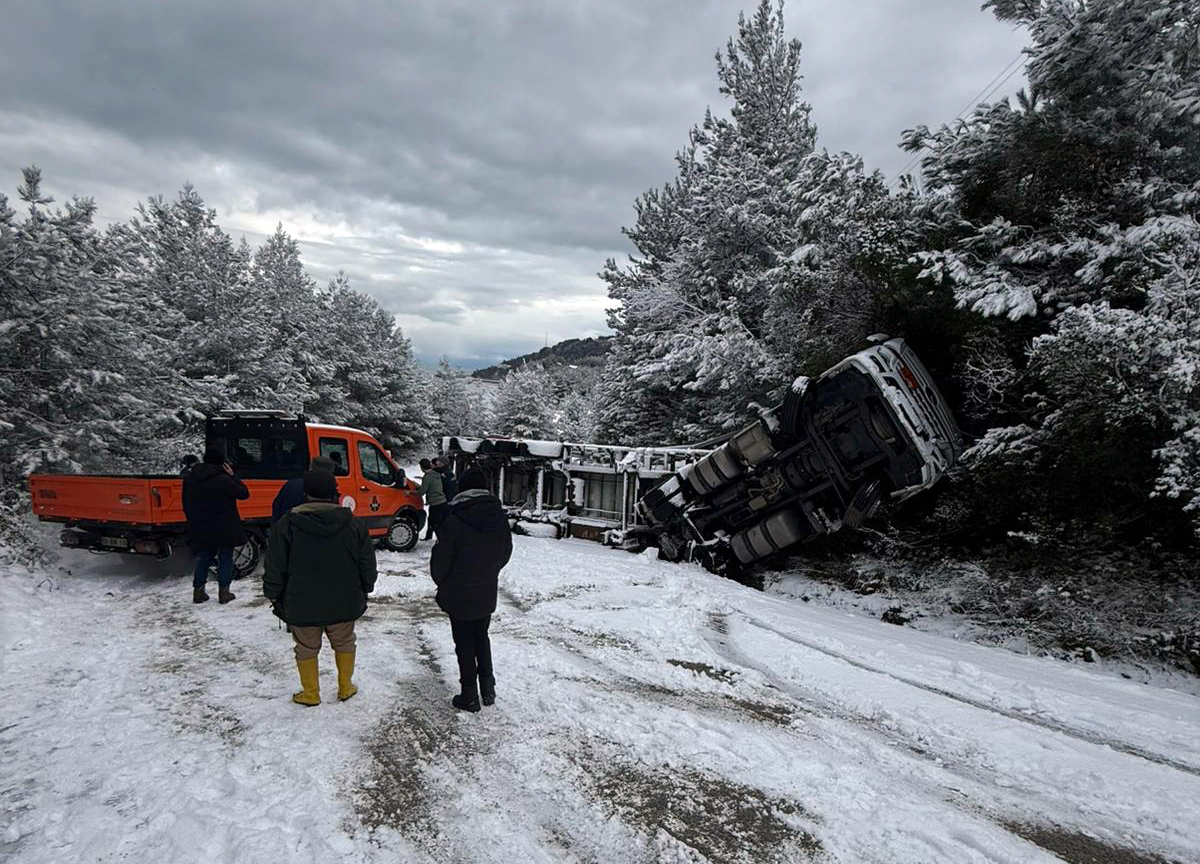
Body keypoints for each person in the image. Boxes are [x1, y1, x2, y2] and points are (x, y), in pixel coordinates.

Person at [263, 469, 377, 706]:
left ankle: (310, 693)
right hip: (345, 600)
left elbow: (275, 564)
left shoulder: (287, 524)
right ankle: (346, 687)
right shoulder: (354, 524)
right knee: (345, 642)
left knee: (306, 647)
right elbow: (367, 562)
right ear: (335, 493)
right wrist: (367, 587)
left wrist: (273, 594)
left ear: (306, 493)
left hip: (302, 601)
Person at [430, 467, 513, 712]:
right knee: (481, 637)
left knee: (464, 642)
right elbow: (505, 552)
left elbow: (440, 561)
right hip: (485, 588)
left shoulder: (453, 519)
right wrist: (489, 572)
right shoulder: (499, 517)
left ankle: (469, 695)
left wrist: (442, 582)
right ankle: (488, 688)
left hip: (458, 591)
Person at [183, 445, 250, 605]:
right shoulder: (224, 479)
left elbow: (186, 503)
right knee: (225, 556)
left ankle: (198, 592)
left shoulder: (190, 479)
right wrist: (233, 476)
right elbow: (244, 493)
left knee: (205, 557)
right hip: (223, 525)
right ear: (222, 462)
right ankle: (224, 592)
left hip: (200, 525)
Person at [271, 456, 338, 525]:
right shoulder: (331, 489)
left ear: (310, 468)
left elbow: (277, 508)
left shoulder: (291, 485)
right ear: (331, 472)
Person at [418, 457, 447, 540]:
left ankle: (442, 540)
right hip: (441, 501)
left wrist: (411, 493)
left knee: (435, 523)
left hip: (436, 502)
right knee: (433, 520)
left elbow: (422, 492)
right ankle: (429, 537)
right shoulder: (435, 473)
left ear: (422, 467)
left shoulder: (427, 477)